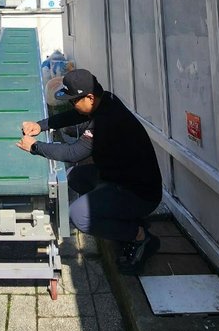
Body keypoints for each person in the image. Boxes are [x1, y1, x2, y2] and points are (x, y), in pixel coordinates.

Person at [17, 68, 162, 274]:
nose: (71, 105)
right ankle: (120, 218)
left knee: (79, 215)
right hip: (120, 178)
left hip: (140, 194)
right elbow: (75, 116)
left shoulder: (107, 120)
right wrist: (42, 125)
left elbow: (74, 152)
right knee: (76, 177)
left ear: (90, 97)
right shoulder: (106, 101)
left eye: (73, 100)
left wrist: (34, 147)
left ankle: (139, 236)